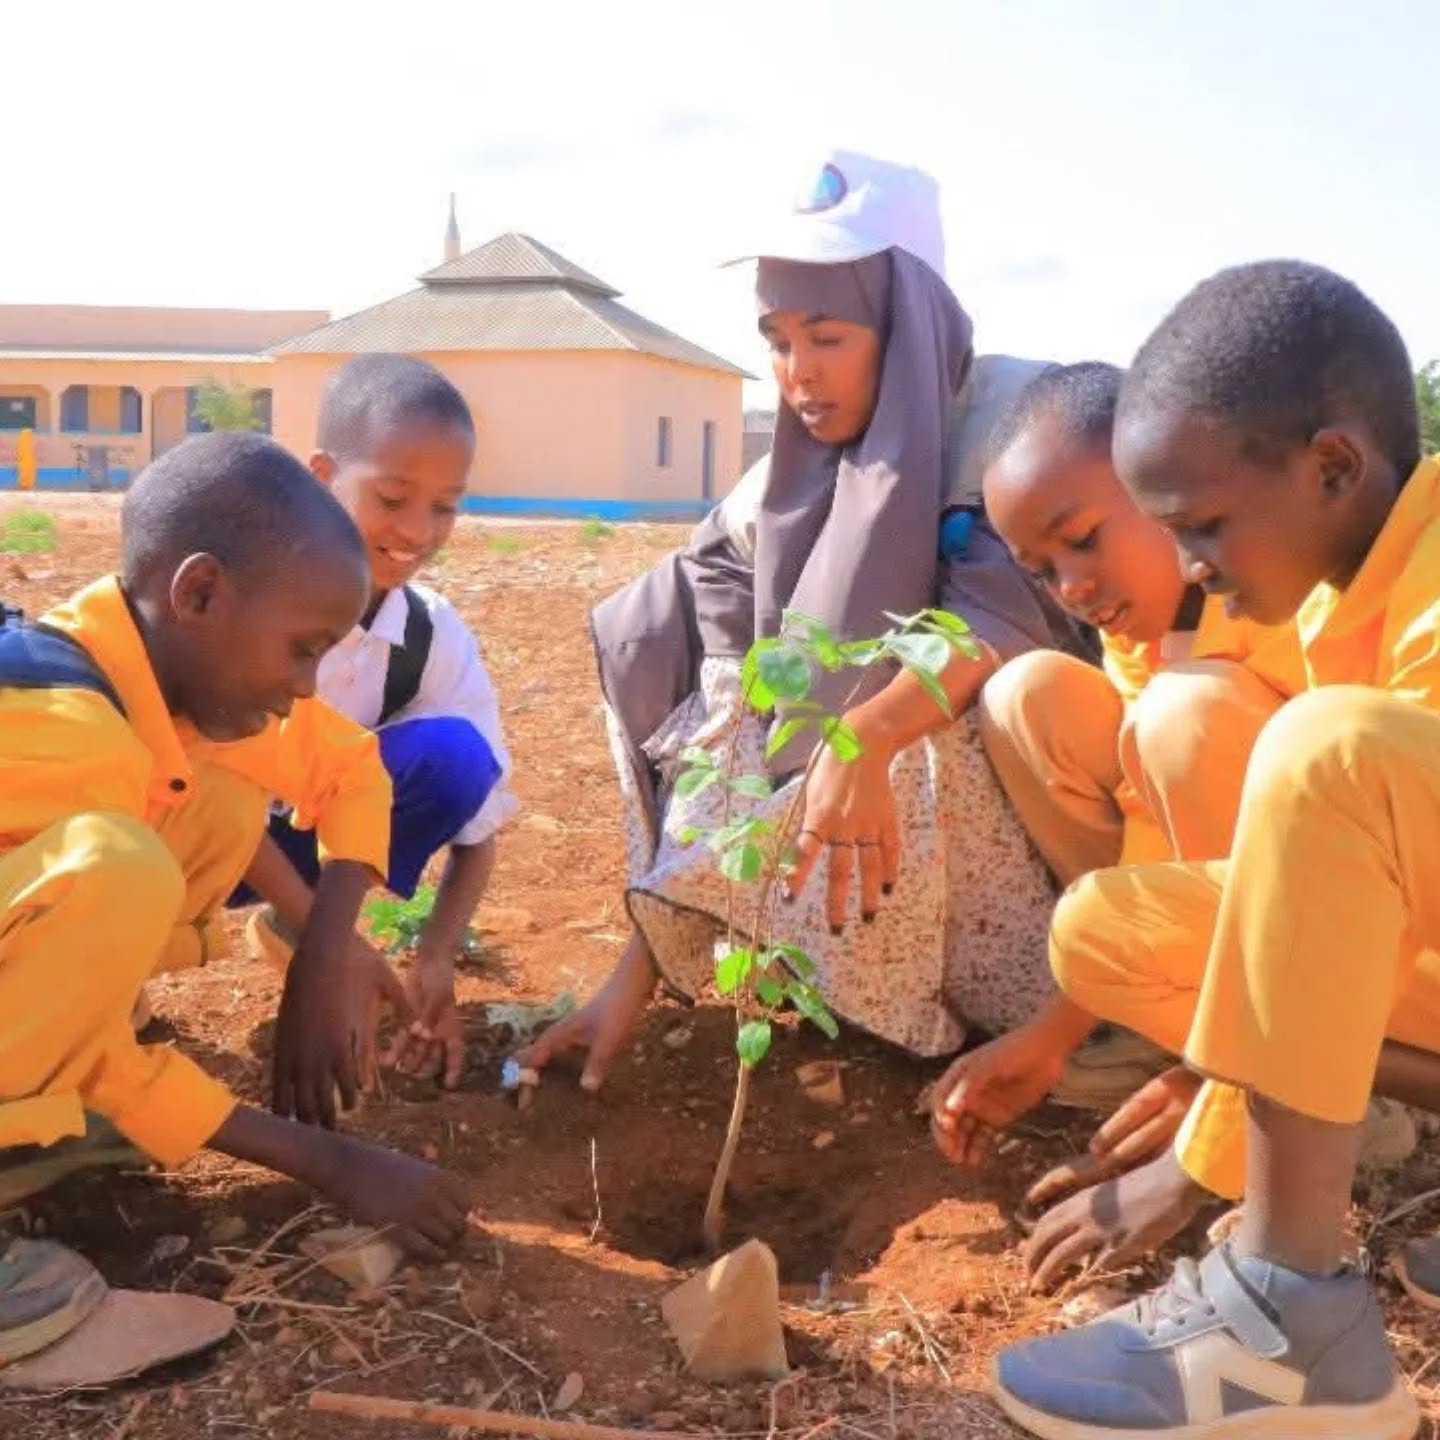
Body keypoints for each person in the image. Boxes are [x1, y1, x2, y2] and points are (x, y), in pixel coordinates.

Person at [519, 149, 1120, 1101]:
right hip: (874, 847)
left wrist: (865, 738)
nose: (797, 374)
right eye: (777, 339)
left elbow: (998, 615)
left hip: (1084, 828)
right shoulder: (778, 491)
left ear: (907, 320)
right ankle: (859, 980)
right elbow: (718, 742)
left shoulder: (1023, 426)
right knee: (690, 652)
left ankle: (1088, 1008)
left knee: (990, 699)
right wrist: (629, 980)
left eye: (829, 336)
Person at [993, 260, 1440, 1440]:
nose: (1189, 565)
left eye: (1201, 526)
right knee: (1105, 928)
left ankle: (1290, 1309)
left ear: (1333, 468)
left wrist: (1198, 1157)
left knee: (1329, 747)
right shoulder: (1316, 599)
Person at [0, 433, 472, 1350]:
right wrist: (328, 1160)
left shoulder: (141, 669)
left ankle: (30, 1126)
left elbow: (350, 768)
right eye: (300, 651)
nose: (304, 688)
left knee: (215, 795)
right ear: (201, 593)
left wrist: (322, 963)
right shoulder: (63, 734)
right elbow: (109, 1057)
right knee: (117, 867)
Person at [930, 361, 1302, 1170]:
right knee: (1028, 695)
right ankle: (1161, 1015)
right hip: (1222, 905)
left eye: (1084, 538)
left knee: (1186, 714)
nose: (1074, 586)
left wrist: (1225, 1070)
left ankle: (1308, 1075)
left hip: (1340, 939)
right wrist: (1054, 1034)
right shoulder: (1142, 631)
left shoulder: (1288, 589)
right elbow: (1151, 825)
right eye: (1043, 570)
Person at [239, 355, 516, 1091]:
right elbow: (205, 796)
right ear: (323, 474)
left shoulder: (428, 637)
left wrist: (434, 960)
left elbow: (476, 833)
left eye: (445, 507)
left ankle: (293, 921)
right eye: (392, 498)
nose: (417, 532)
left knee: (455, 755)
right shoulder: (235, 606)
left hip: (296, 847)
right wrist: (330, 951)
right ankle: (108, 979)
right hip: (179, 834)